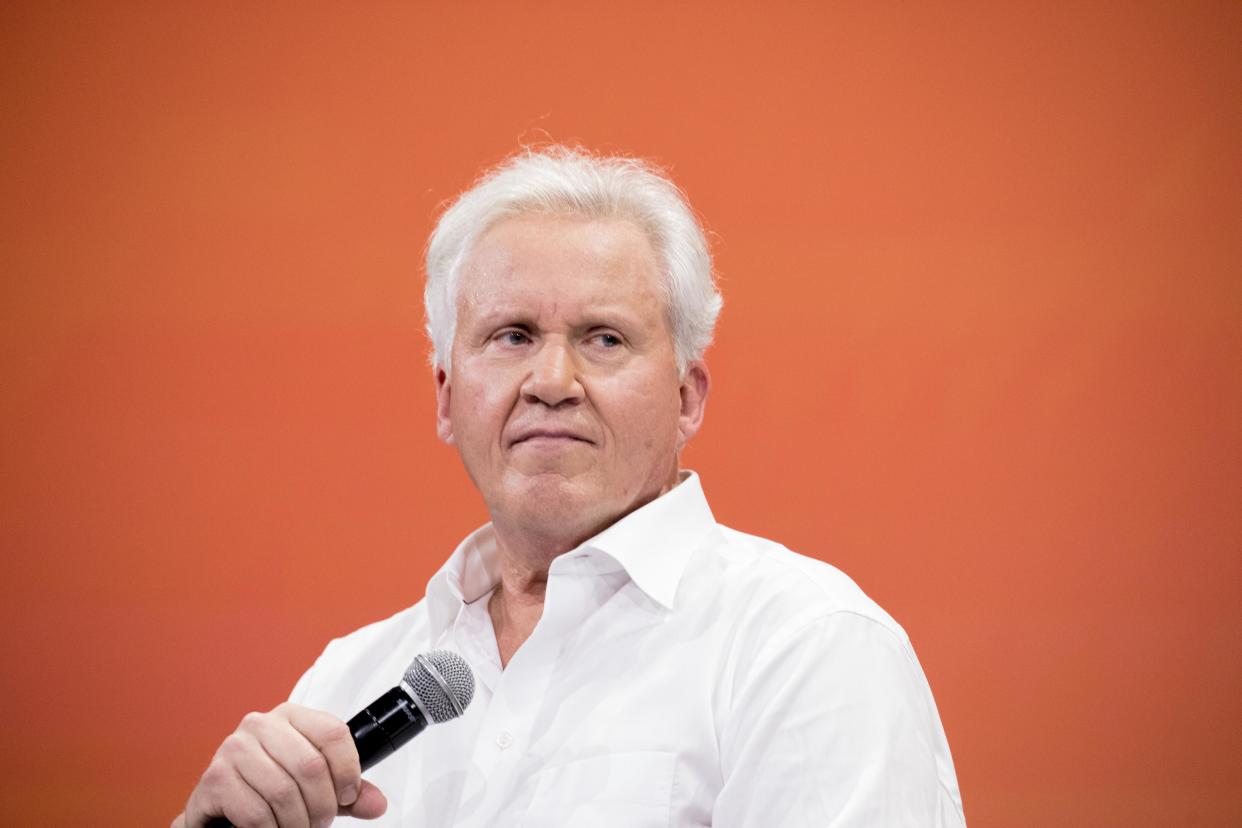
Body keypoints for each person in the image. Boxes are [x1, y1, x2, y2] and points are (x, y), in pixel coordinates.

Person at [174, 146, 966, 827]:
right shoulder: (347, 683)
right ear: (446, 397)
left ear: (688, 396)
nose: (551, 380)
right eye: (511, 336)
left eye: (604, 339)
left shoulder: (803, 647)